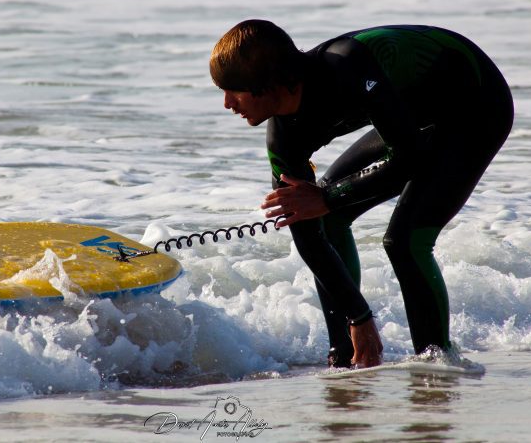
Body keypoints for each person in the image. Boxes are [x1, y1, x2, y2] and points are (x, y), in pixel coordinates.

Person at [209, 20, 513, 368]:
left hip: (475, 103)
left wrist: (327, 198)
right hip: (413, 120)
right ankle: (347, 358)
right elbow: (305, 229)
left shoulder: (346, 66)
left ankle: (437, 366)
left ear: (267, 81)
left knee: (404, 239)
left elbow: (410, 157)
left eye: (233, 89)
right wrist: (359, 318)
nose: (227, 103)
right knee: (325, 216)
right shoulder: (283, 137)